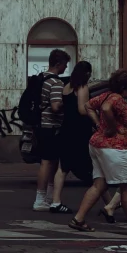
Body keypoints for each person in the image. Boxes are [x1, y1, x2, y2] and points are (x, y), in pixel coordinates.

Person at [74, 69, 127, 235]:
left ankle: (78, 218)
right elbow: (106, 109)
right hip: (116, 147)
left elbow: (88, 106)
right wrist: (112, 128)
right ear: (125, 87)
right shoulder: (117, 99)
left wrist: (99, 126)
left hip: (98, 144)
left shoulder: (106, 95)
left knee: (99, 184)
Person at [47, 60, 93, 212]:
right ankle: (108, 205)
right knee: (94, 169)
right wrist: (94, 112)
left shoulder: (67, 87)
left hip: (65, 129)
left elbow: (62, 105)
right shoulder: (82, 87)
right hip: (79, 131)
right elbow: (81, 109)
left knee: (63, 168)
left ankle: (55, 202)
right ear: (87, 73)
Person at [30, 50, 71, 213]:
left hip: (41, 125)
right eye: (65, 65)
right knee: (47, 163)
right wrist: (65, 101)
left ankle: (46, 197)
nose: (65, 68)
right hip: (51, 126)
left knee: (51, 162)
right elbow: (55, 106)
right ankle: (40, 199)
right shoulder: (55, 82)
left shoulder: (41, 78)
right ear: (58, 64)